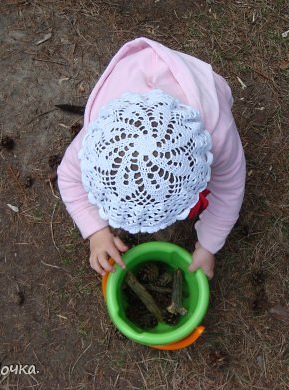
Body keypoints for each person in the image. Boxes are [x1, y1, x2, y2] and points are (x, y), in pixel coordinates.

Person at [57, 37, 245, 279]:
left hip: (199, 87)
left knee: (217, 98)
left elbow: (229, 191)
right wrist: (97, 232)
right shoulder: (98, 137)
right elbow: (69, 178)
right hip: (132, 76)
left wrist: (207, 246)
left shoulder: (218, 136)